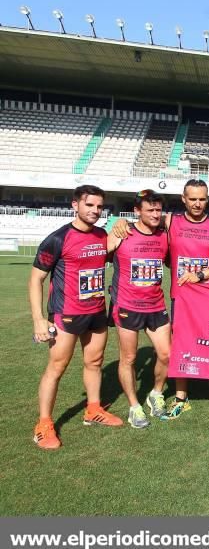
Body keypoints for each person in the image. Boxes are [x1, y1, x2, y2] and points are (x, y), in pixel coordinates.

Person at [111, 179, 209, 420]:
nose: (198, 204)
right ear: (183, 199)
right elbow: (145, 218)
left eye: (202, 199)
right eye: (193, 199)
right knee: (179, 348)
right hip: (181, 298)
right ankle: (180, 396)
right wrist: (121, 222)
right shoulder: (170, 221)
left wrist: (199, 275)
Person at [30, 185, 122, 450]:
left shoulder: (101, 235)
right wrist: (38, 319)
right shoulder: (58, 238)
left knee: (94, 361)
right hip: (66, 313)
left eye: (99, 206)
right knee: (56, 368)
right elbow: (36, 278)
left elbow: (114, 246)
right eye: (89, 205)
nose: (95, 210)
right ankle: (44, 424)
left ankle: (93, 409)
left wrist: (124, 223)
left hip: (95, 312)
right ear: (75, 205)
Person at [107, 189, 171, 429]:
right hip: (127, 306)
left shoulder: (164, 235)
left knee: (166, 354)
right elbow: (94, 254)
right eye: (150, 210)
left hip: (156, 305)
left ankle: (155, 394)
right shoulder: (121, 232)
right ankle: (135, 407)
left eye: (158, 210)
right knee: (129, 358)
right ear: (137, 211)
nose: (155, 214)